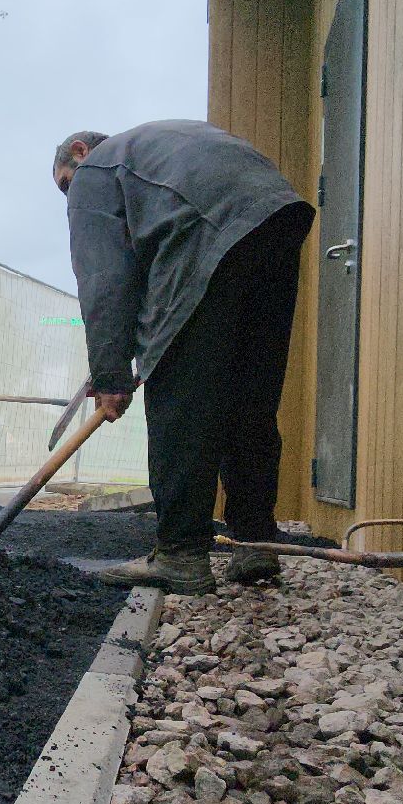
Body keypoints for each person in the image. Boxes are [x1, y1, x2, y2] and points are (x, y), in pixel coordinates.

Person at [54, 121, 314, 594]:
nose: (68, 200)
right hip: (277, 216)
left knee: (180, 397)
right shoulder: (153, 154)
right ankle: (255, 542)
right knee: (249, 394)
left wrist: (111, 377)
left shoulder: (95, 170)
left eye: (63, 187)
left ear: (77, 152)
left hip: (210, 228)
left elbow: (105, 280)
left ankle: (180, 553)